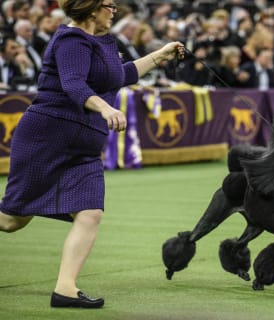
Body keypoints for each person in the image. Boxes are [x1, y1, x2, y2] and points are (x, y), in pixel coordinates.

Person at [0, 0, 184, 309]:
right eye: (110, 5)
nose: (115, 10)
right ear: (92, 8)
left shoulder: (100, 42)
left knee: (90, 212)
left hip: (83, 148)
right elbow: (73, 84)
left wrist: (159, 55)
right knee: (11, 221)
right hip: (47, 139)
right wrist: (105, 106)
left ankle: (65, 289)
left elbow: (119, 76)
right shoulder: (71, 39)